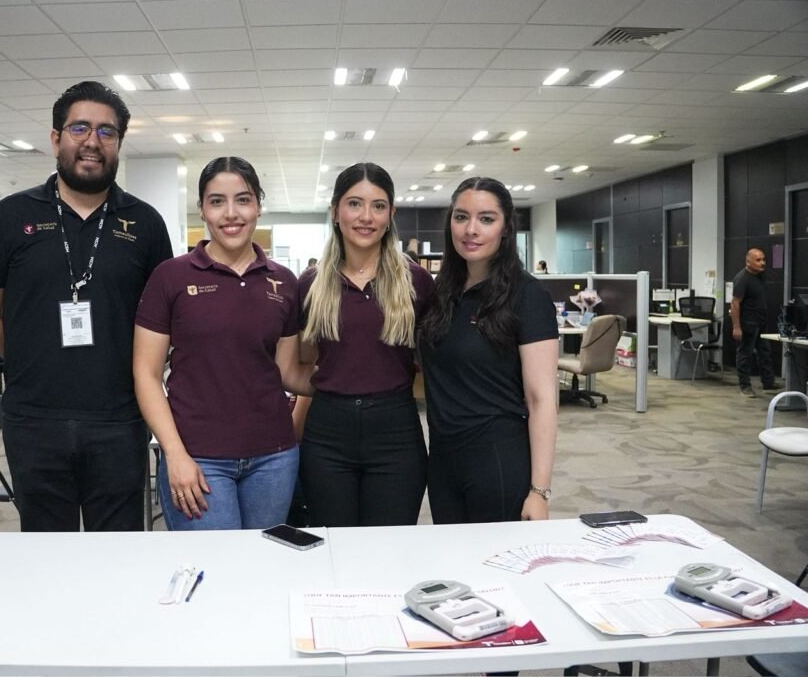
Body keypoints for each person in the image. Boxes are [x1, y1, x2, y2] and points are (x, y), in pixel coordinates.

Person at [0, 81, 173, 532]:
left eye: (106, 131)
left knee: (118, 551)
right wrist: (33, 358)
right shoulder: (11, 216)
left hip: (119, 418)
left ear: (119, 142)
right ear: (56, 137)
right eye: (80, 128)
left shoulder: (144, 223)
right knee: (46, 552)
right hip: (34, 419)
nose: (92, 141)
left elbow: (164, 321)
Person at [133, 156, 312, 530]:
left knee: (264, 559)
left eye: (243, 200)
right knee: (214, 564)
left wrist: (349, 373)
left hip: (274, 458)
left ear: (258, 205)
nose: (231, 213)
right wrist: (174, 454)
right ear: (202, 209)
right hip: (198, 458)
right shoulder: (171, 277)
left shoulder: (284, 281)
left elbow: (287, 372)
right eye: (217, 201)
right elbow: (146, 374)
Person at [297, 163, 434, 527]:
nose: (366, 217)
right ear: (335, 211)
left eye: (378, 206)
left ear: (391, 215)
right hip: (327, 432)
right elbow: (305, 362)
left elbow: (436, 359)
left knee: (390, 545)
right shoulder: (310, 284)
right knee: (334, 544)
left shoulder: (416, 281)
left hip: (396, 430)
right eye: (354, 204)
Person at [419, 176, 558, 524]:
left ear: (506, 228)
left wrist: (540, 491)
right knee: (451, 553)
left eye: (486, 219)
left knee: (498, 556)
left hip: (496, 457)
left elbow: (541, 399)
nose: (471, 229)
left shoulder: (527, 296)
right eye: (461, 217)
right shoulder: (442, 294)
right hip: (443, 457)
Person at [731, 248, 777, 398]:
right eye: (758, 260)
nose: (762, 263)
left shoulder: (760, 276)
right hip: (748, 323)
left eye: (763, 259)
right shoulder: (742, 278)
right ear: (748, 262)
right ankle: (745, 386)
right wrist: (737, 327)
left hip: (761, 322)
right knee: (745, 354)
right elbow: (735, 303)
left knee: (765, 353)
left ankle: (768, 383)